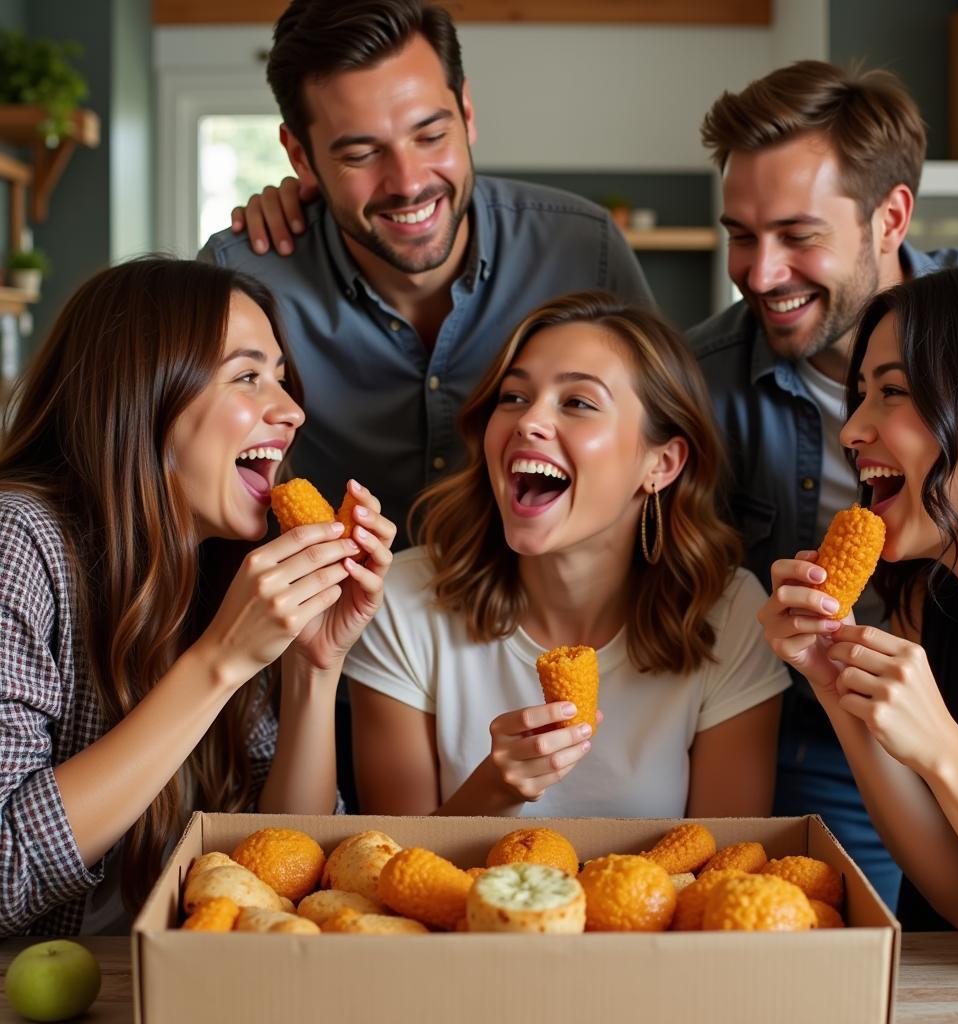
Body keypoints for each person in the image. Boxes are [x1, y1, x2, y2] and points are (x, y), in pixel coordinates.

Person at [686, 60, 958, 908]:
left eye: (797, 235)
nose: (758, 273)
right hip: (814, 718)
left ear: (890, 217)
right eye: (740, 234)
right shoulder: (702, 381)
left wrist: (934, 742)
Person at [0, 257, 395, 937]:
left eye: (280, 376)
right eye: (247, 377)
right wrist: (220, 661)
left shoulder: (214, 571)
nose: (292, 410)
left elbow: (284, 873)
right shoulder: (19, 540)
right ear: (141, 395)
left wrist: (313, 664)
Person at [200, 0, 653, 549]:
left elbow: (656, 442)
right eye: (362, 154)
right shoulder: (241, 279)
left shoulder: (586, 249)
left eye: (430, 135)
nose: (409, 182)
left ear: (466, 111)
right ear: (300, 155)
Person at [343, 292, 789, 817]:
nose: (528, 422)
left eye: (578, 402)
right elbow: (393, 875)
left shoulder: (730, 613)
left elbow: (723, 871)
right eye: (512, 397)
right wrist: (495, 790)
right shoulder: (403, 602)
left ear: (662, 463)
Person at [760, 260, 958, 931]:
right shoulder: (927, 607)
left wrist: (940, 747)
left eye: (894, 392)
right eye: (861, 397)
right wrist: (830, 674)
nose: (851, 432)